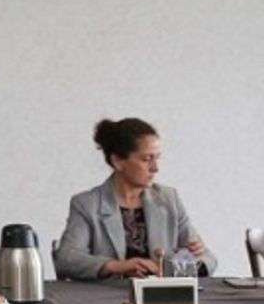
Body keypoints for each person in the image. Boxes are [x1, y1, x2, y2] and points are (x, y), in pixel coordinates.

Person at [53, 118, 217, 280]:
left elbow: (208, 259)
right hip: (107, 295)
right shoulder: (87, 204)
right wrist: (115, 266)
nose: (155, 168)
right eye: (146, 159)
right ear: (117, 161)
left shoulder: (169, 199)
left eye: (157, 158)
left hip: (161, 294)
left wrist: (192, 262)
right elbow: (66, 259)